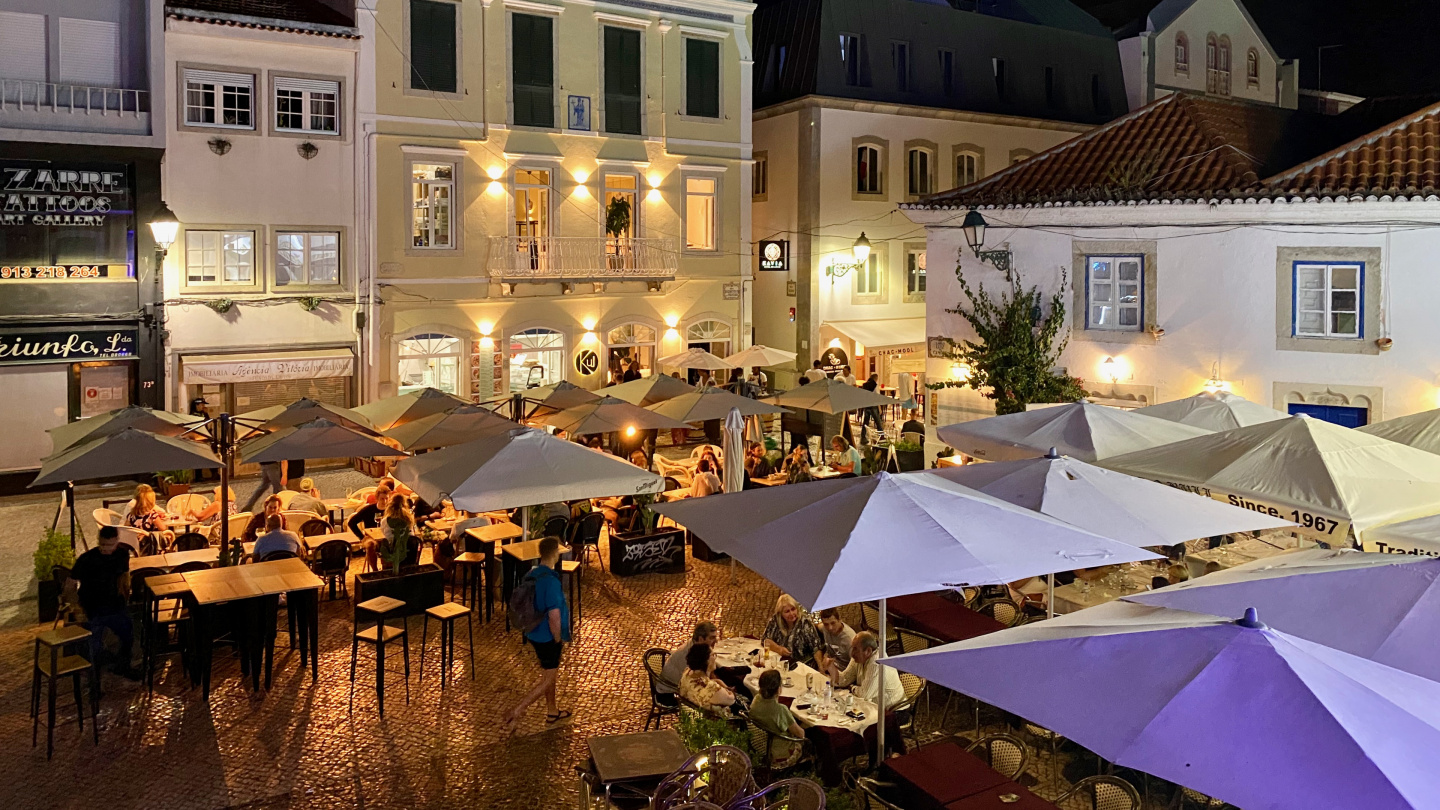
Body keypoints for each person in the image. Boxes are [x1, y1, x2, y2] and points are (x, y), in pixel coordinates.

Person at [502, 536, 571, 731]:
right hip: (547, 637)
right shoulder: (551, 583)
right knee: (548, 679)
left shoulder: (532, 574)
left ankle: (552, 711)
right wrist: (558, 639)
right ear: (555, 554)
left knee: (550, 673)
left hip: (533, 632)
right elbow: (554, 616)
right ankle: (516, 711)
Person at [68, 526, 138, 679]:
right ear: (99, 541)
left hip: (114, 605)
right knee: (94, 646)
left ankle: (122, 666)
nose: (106, 549)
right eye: (103, 545)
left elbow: (124, 577)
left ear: (116, 542)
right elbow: (70, 584)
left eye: (110, 545)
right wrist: (75, 608)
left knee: (128, 635)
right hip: (92, 607)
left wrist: (126, 595)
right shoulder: (86, 559)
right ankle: (94, 680)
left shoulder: (122, 555)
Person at [827, 631, 904, 712]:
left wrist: (851, 687)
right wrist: (832, 669)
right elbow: (844, 680)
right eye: (852, 648)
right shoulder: (858, 657)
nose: (852, 653)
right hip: (874, 706)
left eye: (855, 649)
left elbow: (864, 695)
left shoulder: (877, 664)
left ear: (868, 651)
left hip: (893, 711)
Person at [750, 669, 804, 762]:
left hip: (758, 745)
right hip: (778, 752)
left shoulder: (756, 699)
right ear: (779, 689)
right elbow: (801, 734)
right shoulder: (780, 710)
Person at [660, 621, 719, 702]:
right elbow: (699, 681)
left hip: (683, 686)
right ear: (701, 639)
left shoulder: (699, 647)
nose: (716, 641)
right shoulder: (690, 655)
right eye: (712, 638)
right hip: (669, 693)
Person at [763, 593, 822, 663]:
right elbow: (765, 640)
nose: (791, 614)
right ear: (780, 613)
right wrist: (779, 649)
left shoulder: (805, 623)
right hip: (779, 661)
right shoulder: (775, 621)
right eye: (787, 611)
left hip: (801, 665)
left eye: (793, 609)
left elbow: (816, 649)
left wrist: (821, 669)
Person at [678, 642, 735, 710]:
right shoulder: (712, 688)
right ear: (706, 660)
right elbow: (731, 699)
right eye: (713, 655)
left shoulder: (687, 673)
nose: (715, 658)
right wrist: (725, 686)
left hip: (691, 717)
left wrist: (718, 681)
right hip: (715, 720)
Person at [125, 483, 174, 550]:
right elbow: (163, 528)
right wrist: (158, 517)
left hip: (136, 545)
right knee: (169, 534)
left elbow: (126, 527)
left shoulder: (131, 515)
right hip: (151, 545)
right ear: (152, 502)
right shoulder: (152, 515)